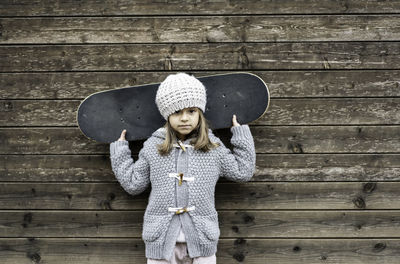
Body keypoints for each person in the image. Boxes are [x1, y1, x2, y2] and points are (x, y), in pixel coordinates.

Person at [109, 72, 256, 263]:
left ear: (200, 113)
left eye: (191, 111)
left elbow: (243, 172)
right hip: (160, 243)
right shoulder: (154, 147)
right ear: (167, 115)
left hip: (203, 242)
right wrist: (120, 150)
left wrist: (240, 133)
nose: (185, 118)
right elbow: (133, 184)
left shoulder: (213, 148)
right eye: (177, 112)